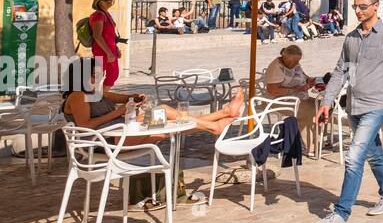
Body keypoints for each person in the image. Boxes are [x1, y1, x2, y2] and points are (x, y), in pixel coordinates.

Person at [314, 0, 383, 223]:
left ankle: (341, 213)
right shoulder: (351, 38)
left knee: (354, 157)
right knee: (374, 154)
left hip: (376, 105)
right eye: (355, 6)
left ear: (376, 7)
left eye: (363, 6)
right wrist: (326, 101)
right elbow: (341, 71)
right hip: (354, 105)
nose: (357, 11)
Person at [61, 57, 247, 142]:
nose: (98, 79)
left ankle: (221, 115)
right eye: (94, 75)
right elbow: (85, 126)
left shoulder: (95, 91)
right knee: (167, 120)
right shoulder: (78, 96)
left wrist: (134, 98)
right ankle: (216, 123)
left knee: (168, 119)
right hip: (108, 140)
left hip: (122, 129)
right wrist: (117, 112)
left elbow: (121, 97)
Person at [263, 44, 320, 151]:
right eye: (294, 61)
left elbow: (303, 76)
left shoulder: (295, 64)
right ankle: (311, 146)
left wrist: (309, 81)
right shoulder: (277, 67)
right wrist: (295, 89)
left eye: (298, 61)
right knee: (309, 111)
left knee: (321, 105)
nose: (296, 63)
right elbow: (272, 90)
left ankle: (318, 139)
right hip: (279, 101)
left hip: (298, 97)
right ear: (285, 58)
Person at [87, 0, 121, 87]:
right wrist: (108, 52)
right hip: (102, 50)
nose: (110, 0)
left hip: (110, 49)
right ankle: (86, 95)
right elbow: (97, 36)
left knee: (113, 74)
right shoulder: (99, 15)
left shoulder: (106, 14)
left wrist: (115, 49)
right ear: (99, 1)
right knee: (97, 75)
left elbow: (110, 35)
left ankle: (102, 96)